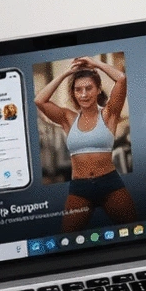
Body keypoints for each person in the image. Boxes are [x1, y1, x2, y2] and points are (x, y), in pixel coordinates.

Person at [35, 57, 137, 232]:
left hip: (109, 183)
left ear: (98, 89)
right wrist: (67, 73)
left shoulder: (109, 114)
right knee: (68, 239)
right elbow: (40, 100)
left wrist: (95, 64)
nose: (84, 94)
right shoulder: (68, 118)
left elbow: (121, 79)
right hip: (80, 188)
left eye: (89, 88)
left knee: (135, 230)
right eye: (78, 90)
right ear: (73, 93)